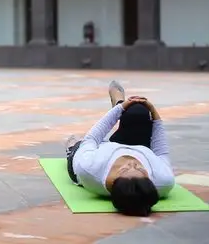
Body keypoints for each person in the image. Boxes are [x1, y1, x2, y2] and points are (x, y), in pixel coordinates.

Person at [65, 80, 175, 216]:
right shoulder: (163, 181)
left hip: (102, 148)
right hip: (136, 147)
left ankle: (117, 104)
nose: (133, 163)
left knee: (75, 141)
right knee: (139, 111)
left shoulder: (89, 167)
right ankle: (126, 111)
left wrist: (120, 108)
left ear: (113, 182)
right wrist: (154, 112)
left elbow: (92, 138)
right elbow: (161, 152)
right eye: (141, 169)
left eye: (126, 169)